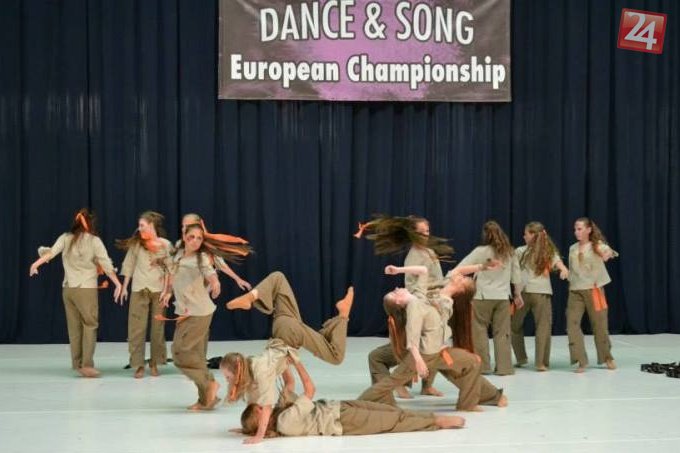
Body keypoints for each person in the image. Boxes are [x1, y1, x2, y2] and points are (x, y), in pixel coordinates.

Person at [358, 269, 507, 411]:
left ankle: (486, 397)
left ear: (459, 289)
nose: (459, 275)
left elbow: (434, 326)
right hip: (419, 347)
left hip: (427, 348)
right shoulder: (435, 292)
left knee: (463, 365)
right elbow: (428, 274)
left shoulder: (445, 301)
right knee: (385, 368)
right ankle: (370, 401)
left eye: (462, 279)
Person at [238, 356, 465, 440]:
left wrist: (281, 363)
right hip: (343, 422)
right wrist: (298, 363)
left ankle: (429, 418)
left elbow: (288, 385)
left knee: (391, 412)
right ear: (260, 416)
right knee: (392, 422)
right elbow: (309, 389)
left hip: (339, 407)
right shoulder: (286, 422)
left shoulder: (279, 411)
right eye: (260, 408)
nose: (264, 405)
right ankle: (436, 421)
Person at [357, 214, 452, 397]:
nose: (426, 234)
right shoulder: (414, 256)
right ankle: (400, 382)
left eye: (427, 231)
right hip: (422, 304)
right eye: (421, 232)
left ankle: (427, 385)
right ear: (412, 234)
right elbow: (413, 285)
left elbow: (436, 278)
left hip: (434, 302)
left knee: (434, 342)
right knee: (415, 345)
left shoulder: (429, 252)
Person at [159, 222, 250, 410]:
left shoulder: (201, 258)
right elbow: (174, 277)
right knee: (187, 354)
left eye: (199, 238)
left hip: (199, 312)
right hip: (184, 312)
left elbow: (210, 273)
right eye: (191, 237)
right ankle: (206, 399)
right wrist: (167, 292)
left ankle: (209, 385)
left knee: (180, 354)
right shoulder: (178, 255)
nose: (195, 241)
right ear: (184, 236)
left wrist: (215, 282)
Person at [29, 208, 122, 377]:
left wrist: (35, 264)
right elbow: (106, 264)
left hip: (68, 289)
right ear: (91, 225)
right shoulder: (94, 241)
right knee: (90, 325)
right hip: (86, 289)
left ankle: (77, 363)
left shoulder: (65, 238)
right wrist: (117, 284)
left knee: (74, 327)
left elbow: (51, 253)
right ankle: (87, 365)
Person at [454, 220, 523, 375]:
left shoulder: (480, 251)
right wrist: (518, 295)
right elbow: (517, 277)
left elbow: (461, 268)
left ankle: (483, 366)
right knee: (503, 332)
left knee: (479, 331)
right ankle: (504, 368)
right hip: (503, 297)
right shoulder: (510, 252)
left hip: (482, 297)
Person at [117, 211, 172, 378]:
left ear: (152, 225)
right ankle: (138, 364)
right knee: (136, 328)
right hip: (139, 289)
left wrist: (167, 290)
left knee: (157, 329)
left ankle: (155, 362)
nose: (139, 228)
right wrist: (124, 287)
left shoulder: (165, 245)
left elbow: (171, 269)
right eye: (139, 225)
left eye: (142, 225)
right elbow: (129, 265)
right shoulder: (137, 244)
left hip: (158, 291)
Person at [511, 222, 569, 371]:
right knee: (542, 327)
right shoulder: (540, 251)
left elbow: (557, 262)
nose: (524, 236)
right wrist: (563, 269)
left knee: (514, 325)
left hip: (525, 293)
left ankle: (523, 358)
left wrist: (563, 269)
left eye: (526, 234)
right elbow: (557, 261)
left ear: (532, 235)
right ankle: (540, 363)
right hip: (538, 293)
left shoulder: (524, 251)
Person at [566, 217, 618, 373]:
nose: (576, 232)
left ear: (588, 230)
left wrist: (607, 253)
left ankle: (607, 357)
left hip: (594, 290)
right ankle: (581, 360)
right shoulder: (572, 248)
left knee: (599, 325)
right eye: (575, 229)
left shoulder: (597, 245)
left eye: (580, 229)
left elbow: (608, 252)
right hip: (575, 290)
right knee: (572, 324)